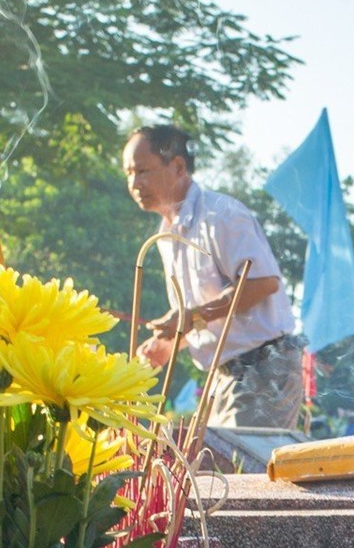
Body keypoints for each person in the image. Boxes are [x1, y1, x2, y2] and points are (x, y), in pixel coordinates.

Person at [121, 124, 305, 429]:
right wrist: (171, 342)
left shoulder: (221, 214)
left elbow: (263, 283)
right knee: (212, 472)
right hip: (224, 375)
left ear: (178, 166)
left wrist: (190, 317)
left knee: (240, 473)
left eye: (142, 171)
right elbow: (212, 313)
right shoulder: (167, 235)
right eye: (129, 173)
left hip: (263, 368)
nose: (134, 183)